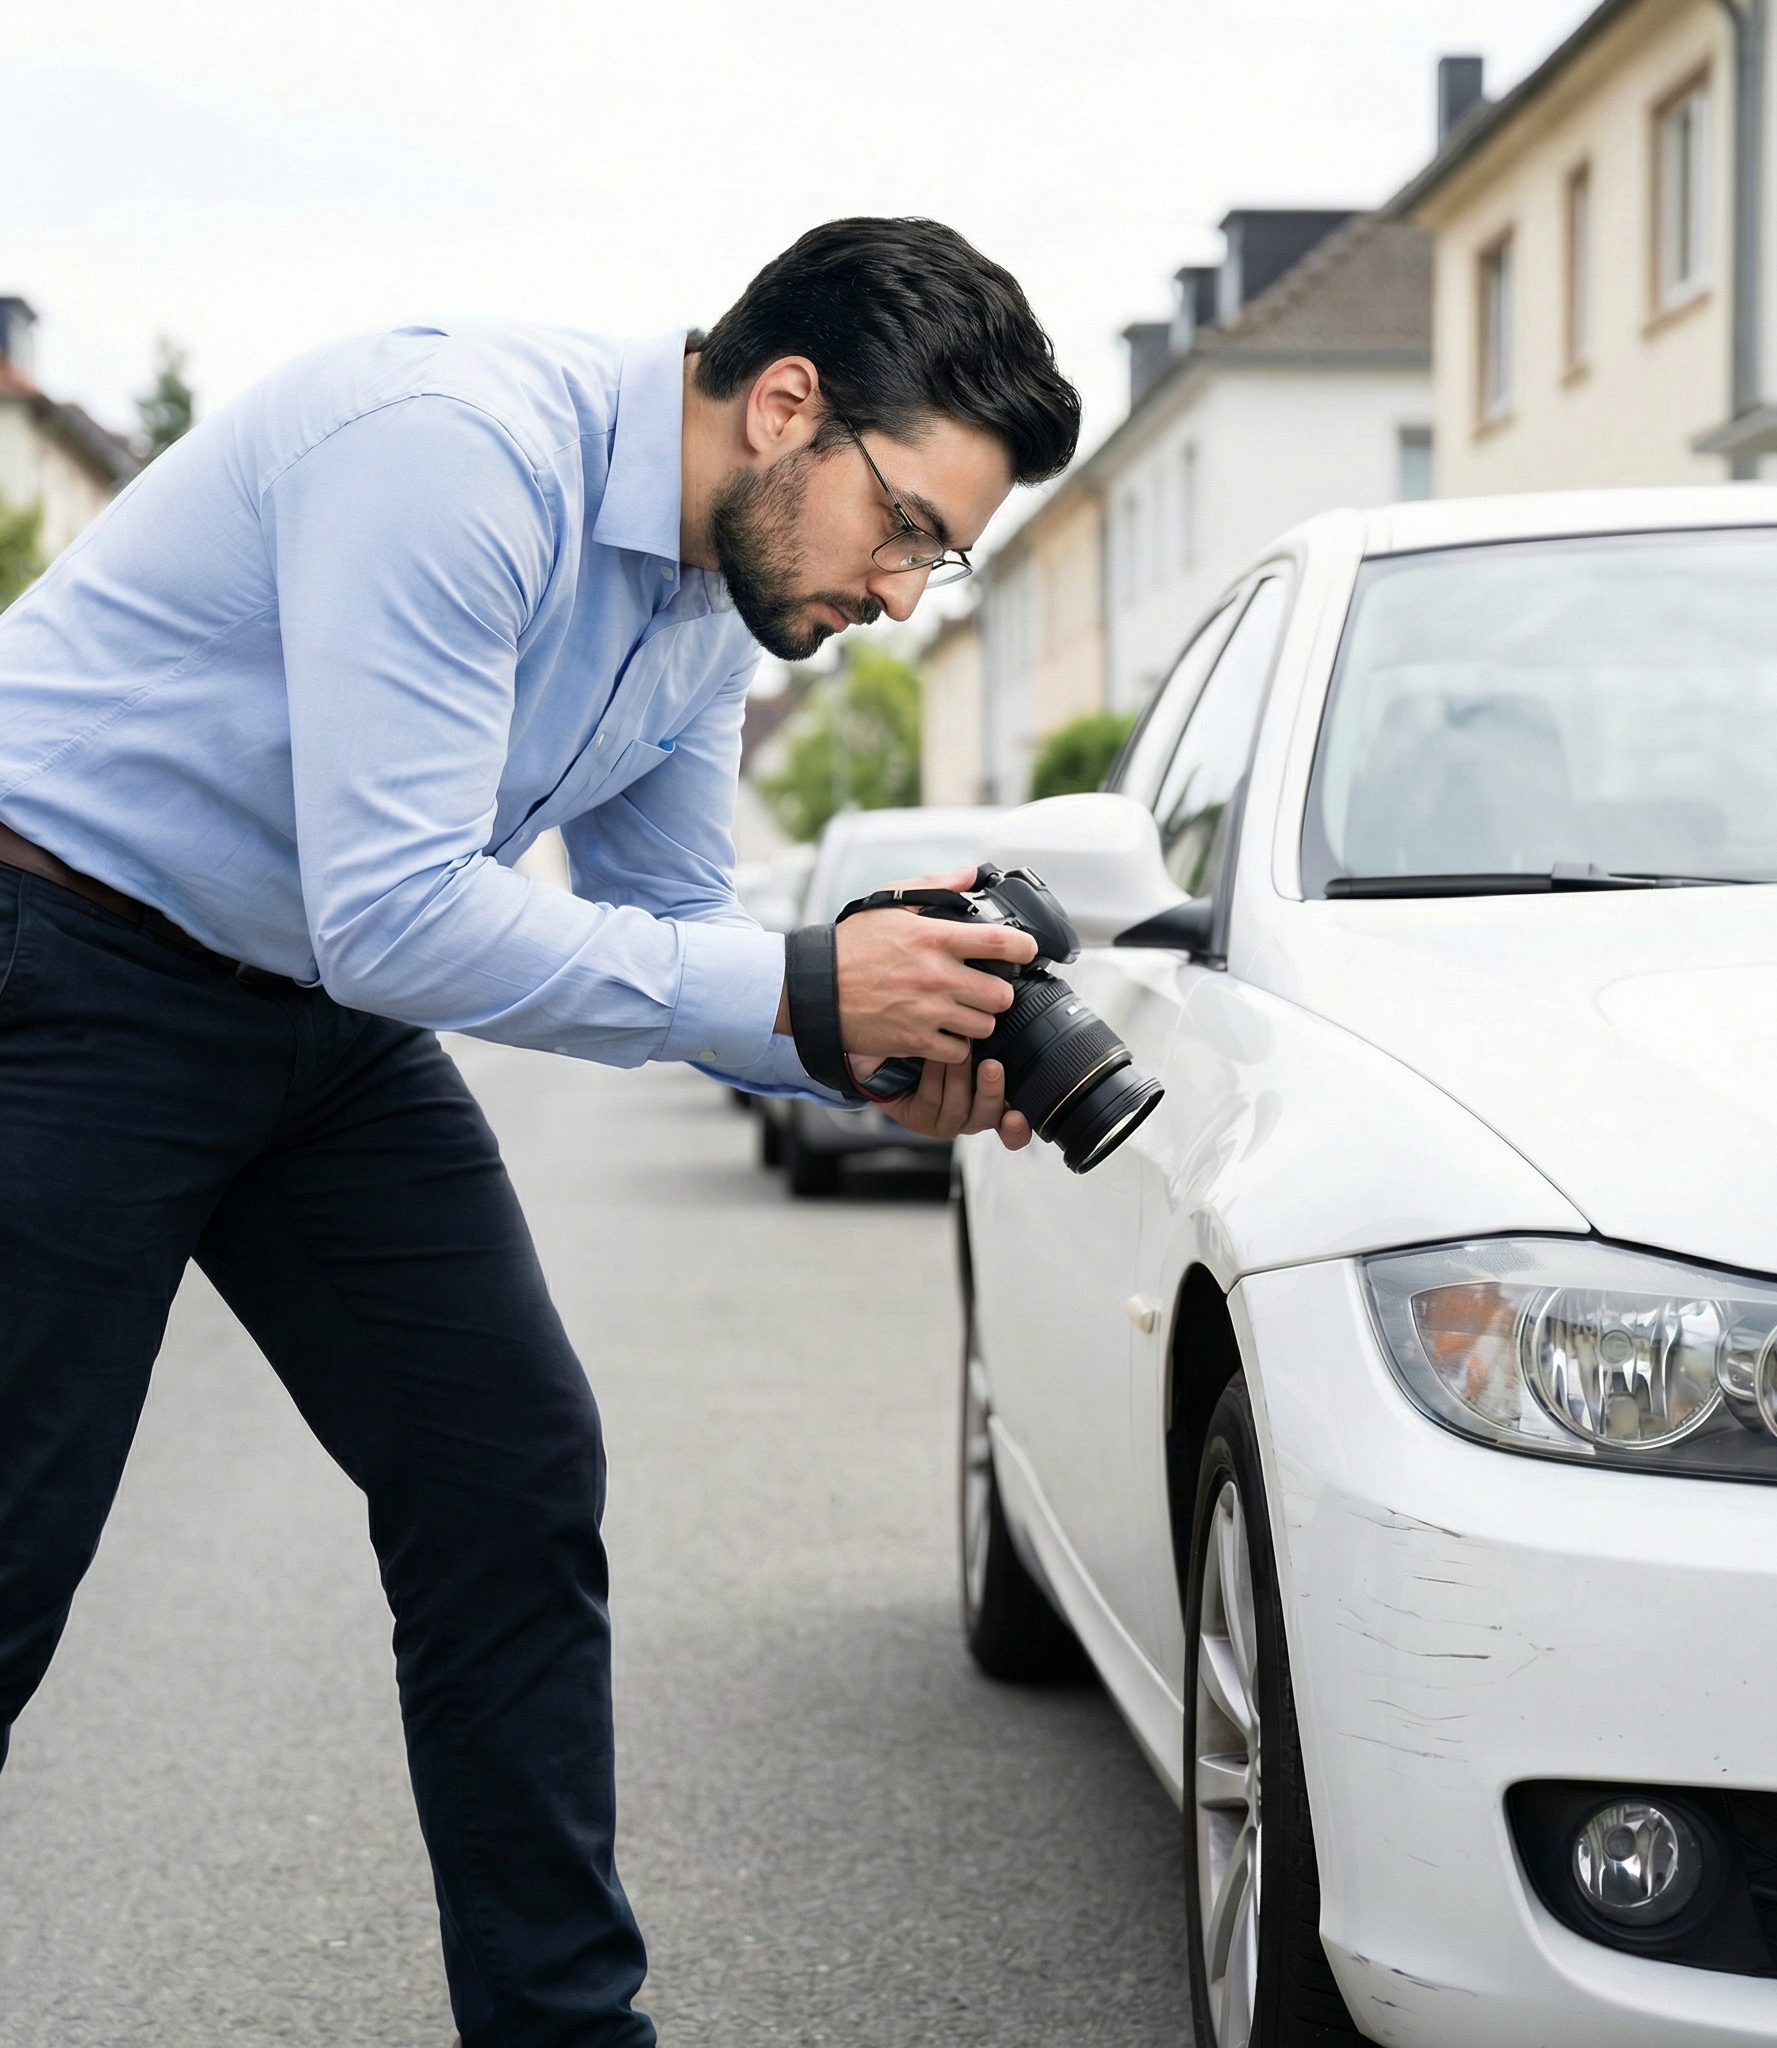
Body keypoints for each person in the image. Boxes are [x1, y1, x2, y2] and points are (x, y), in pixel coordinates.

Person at [0, 217, 1080, 2046]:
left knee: (508, 1479)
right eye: (903, 527)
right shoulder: (451, 457)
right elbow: (407, 912)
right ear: (785, 409)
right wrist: (812, 993)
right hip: (61, 964)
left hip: (317, 1022)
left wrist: (891, 1030)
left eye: (944, 560)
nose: (906, 593)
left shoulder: (704, 607)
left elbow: (673, 938)